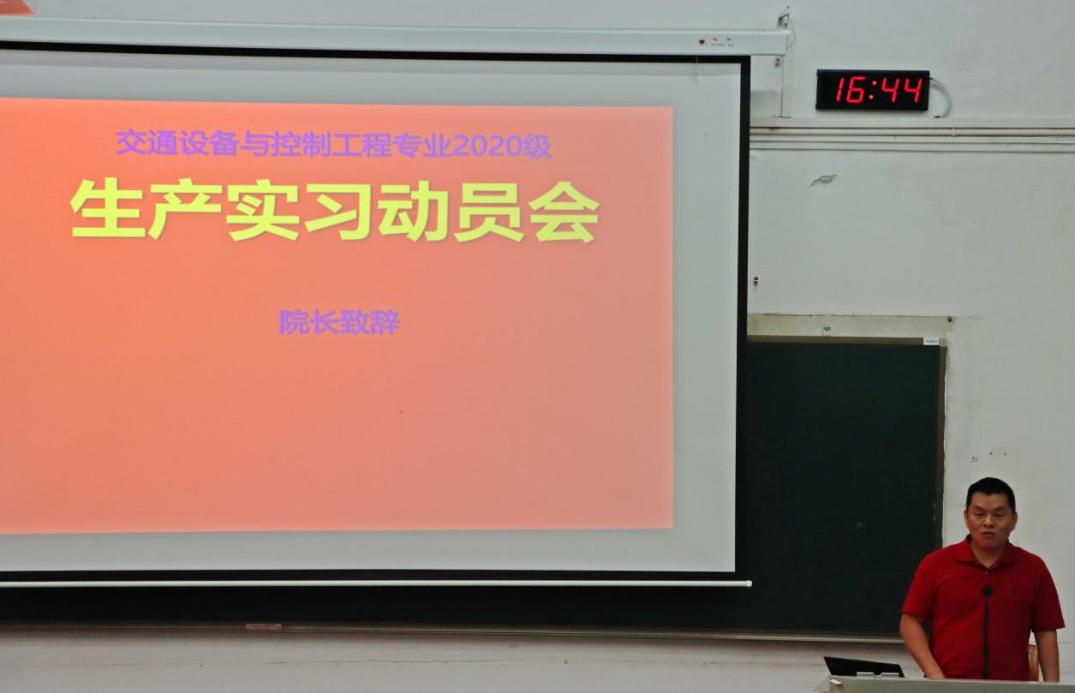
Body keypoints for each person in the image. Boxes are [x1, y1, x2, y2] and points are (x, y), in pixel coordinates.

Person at [900, 477, 1064, 681]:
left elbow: (1046, 631)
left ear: (1013, 520)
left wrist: (1052, 688)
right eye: (979, 514)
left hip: (1011, 687)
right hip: (948, 686)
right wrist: (935, 676)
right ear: (966, 517)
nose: (988, 522)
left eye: (998, 515)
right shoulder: (936, 564)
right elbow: (909, 623)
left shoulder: (1033, 568)